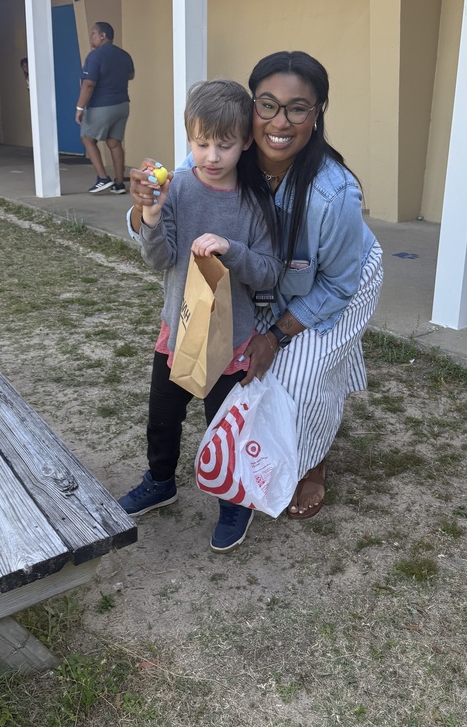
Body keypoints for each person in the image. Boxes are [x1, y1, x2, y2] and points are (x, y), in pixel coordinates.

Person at [131, 52, 383, 521]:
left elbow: (337, 282)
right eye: (267, 105)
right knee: (268, 372)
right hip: (260, 281)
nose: (279, 120)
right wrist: (142, 210)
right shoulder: (218, 153)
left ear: (317, 113)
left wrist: (277, 335)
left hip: (337, 278)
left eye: (297, 107)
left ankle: (312, 464)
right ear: (251, 112)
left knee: (299, 378)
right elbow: (169, 221)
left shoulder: (335, 192)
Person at [118, 79, 282, 552]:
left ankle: (234, 502)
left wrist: (231, 250)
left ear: (246, 142)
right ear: (189, 138)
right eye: (201, 143)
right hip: (179, 329)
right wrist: (150, 216)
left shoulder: (255, 202)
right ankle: (160, 480)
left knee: (224, 425)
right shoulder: (178, 189)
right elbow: (159, 259)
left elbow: (269, 273)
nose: (211, 156)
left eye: (224, 145)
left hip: (232, 341)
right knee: (163, 417)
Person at [75, 22, 135, 194]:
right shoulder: (124, 55)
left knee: (87, 138)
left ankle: (102, 178)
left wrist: (80, 108)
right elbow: (131, 75)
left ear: (103, 36)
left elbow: (88, 84)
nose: (90, 37)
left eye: (93, 33)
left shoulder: (95, 56)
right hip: (122, 105)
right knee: (114, 143)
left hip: (102, 105)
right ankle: (118, 183)